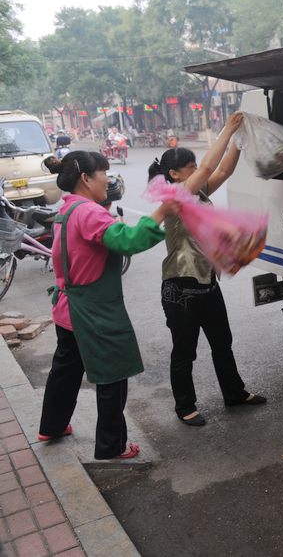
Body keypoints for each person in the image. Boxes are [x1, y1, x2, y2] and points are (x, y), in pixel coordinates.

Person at [37, 151, 180, 459]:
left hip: (66, 310)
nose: (108, 179)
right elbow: (127, 240)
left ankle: (52, 425)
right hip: (93, 312)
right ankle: (111, 446)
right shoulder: (88, 211)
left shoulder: (67, 209)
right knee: (112, 375)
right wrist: (163, 211)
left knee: (65, 371)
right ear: (86, 179)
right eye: (104, 173)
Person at [147, 112, 266, 427]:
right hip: (180, 288)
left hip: (206, 283)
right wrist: (227, 128)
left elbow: (223, 168)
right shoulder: (173, 197)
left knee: (222, 342)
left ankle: (234, 393)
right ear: (174, 174)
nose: (196, 168)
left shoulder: (197, 193)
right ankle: (185, 406)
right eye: (189, 166)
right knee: (184, 351)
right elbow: (210, 167)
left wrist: (239, 140)